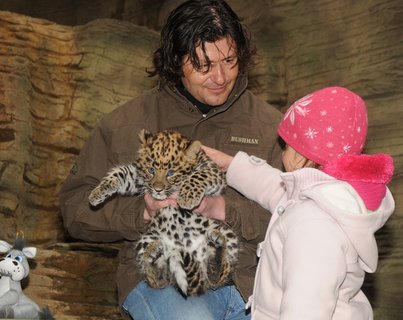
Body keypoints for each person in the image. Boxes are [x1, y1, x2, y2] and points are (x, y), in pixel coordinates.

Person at [59, 0, 284, 319]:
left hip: (256, 284)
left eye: (230, 61)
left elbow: (297, 214)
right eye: (203, 66)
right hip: (165, 280)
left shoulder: (271, 127)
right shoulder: (125, 124)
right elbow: (75, 208)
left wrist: (223, 208)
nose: (220, 77)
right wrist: (142, 213)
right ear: (176, 61)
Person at [202, 86, 395, 319]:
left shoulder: (312, 225)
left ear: (304, 154)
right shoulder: (325, 197)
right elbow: (277, 188)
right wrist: (230, 165)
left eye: (285, 144)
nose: (281, 151)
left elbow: (305, 311)